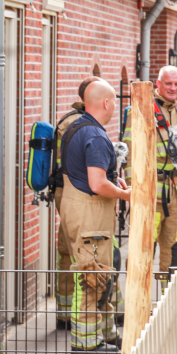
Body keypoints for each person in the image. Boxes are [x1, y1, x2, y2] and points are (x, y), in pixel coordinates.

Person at [122, 65, 177, 316]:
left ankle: (172, 302)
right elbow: (129, 150)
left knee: (176, 247)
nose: (173, 88)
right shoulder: (140, 108)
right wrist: (133, 193)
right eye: (168, 84)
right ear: (158, 83)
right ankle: (138, 303)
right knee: (143, 249)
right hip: (149, 196)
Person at [60, 79, 131, 354]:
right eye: (114, 100)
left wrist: (117, 184)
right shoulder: (97, 137)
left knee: (99, 274)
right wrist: (129, 196)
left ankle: (107, 333)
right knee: (93, 277)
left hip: (76, 208)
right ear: (106, 103)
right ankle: (86, 343)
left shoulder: (75, 127)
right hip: (91, 217)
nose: (114, 105)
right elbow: (98, 184)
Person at [53, 76, 100, 331]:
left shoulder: (68, 121)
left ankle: (65, 312)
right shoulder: (82, 125)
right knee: (86, 254)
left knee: (67, 251)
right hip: (79, 195)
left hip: (65, 192)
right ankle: (87, 316)